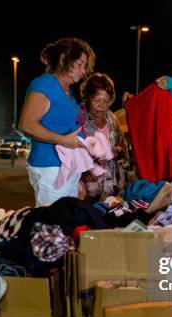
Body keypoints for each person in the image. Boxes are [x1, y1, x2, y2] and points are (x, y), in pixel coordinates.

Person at [19, 38, 96, 206]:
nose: (84, 71)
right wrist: (63, 140)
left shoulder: (66, 90)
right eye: (80, 64)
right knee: (53, 225)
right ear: (63, 59)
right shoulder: (46, 83)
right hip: (50, 169)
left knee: (66, 223)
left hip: (66, 170)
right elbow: (26, 124)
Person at [78, 73, 130, 201]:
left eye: (106, 101)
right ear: (87, 97)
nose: (101, 106)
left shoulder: (111, 118)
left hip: (111, 184)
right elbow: (68, 152)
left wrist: (117, 151)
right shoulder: (78, 119)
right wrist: (83, 170)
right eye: (97, 101)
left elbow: (122, 146)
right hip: (86, 187)